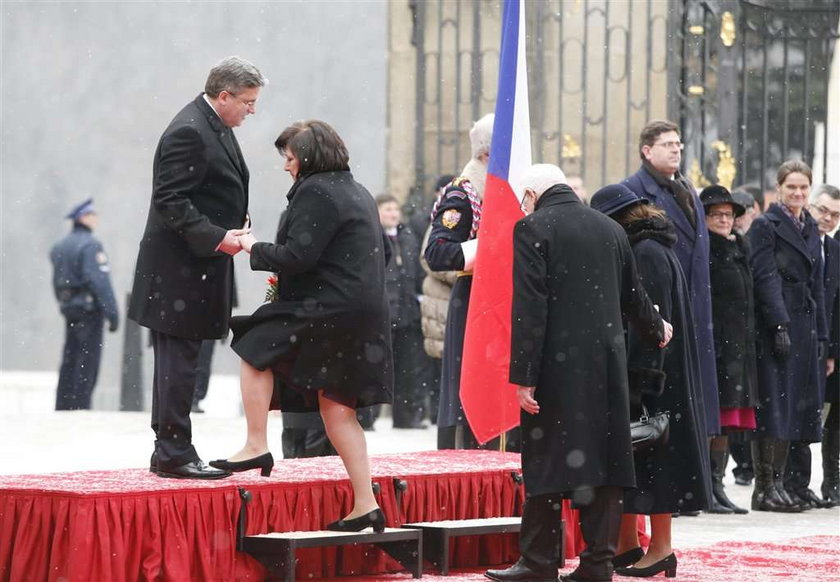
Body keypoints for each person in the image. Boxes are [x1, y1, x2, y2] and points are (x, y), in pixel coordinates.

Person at [486, 165, 671, 582]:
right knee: (603, 463)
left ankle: (539, 561)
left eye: (523, 201)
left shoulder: (533, 227)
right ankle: (598, 563)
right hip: (606, 368)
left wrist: (524, 374)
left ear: (532, 195)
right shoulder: (610, 229)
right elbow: (634, 296)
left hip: (556, 368)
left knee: (547, 462)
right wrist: (657, 329)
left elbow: (530, 307)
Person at [214, 120, 393, 532]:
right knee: (338, 407)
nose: (286, 167)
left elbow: (297, 256)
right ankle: (365, 503)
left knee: (253, 344)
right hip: (363, 312)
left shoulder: (317, 191)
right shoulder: (359, 191)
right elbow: (381, 251)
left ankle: (256, 444)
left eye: (290, 158)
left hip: (329, 308)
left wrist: (250, 245)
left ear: (308, 158)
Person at [128, 56, 266, 480]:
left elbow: (208, 192)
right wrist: (216, 236)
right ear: (223, 96)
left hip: (197, 270)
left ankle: (170, 447)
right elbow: (170, 201)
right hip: (179, 273)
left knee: (184, 363)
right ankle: (173, 451)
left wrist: (231, 227)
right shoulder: (191, 130)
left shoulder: (213, 125)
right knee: (178, 364)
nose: (252, 110)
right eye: (247, 101)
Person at [588, 184, 710, 578]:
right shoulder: (651, 248)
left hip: (657, 377)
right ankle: (627, 544)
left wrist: (641, 380)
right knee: (638, 462)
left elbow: (651, 322)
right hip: (658, 372)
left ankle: (660, 550)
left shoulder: (646, 253)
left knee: (658, 465)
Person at [624, 121, 719, 442]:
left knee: (699, 403)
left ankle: (708, 479)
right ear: (647, 151)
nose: (676, 149)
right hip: (661, 308)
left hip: (695, 308)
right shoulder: (634, 192)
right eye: (667, 144)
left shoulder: (688, 189)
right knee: (668, 407)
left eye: (678, 143)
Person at [748, 160, 828, 512]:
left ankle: (783, 483)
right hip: (777, 325)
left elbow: (819, 286)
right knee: (775, 405)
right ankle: (764, 486)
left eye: (803, 188)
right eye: (791, 187)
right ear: (778, 187)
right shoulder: (766, 225)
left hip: (806, 324)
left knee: (797, 406)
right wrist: (778, 324)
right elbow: (764, 277)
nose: (797, 193)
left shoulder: (810, 225)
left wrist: (823, 337)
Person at [425, 113, 500, 449]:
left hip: (503, 301)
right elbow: (438, 251)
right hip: (475, 300)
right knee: (471, 395)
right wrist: (493, 249)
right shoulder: (463, 193)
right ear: (486, 153)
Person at [700, 185, 760, 515]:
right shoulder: (705, 249)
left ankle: (717, 484)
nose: (724, 220)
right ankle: (706, 487)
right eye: (716, 214)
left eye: (728, 214)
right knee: (714, 416)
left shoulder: (740, 246)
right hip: (718, 343)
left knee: (727, 419)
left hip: (740, 344)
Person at [786, 183, 840, 507]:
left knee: (826, 418)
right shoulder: (800, 240)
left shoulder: (834, 249)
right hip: (799, 339)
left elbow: (832, 303)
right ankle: (792, 482)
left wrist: (831, 348)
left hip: (827, 343)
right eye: (823, 210)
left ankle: (829, 483)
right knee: (801, 412)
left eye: (835, 214)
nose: (828, 218)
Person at [50, 198, 119, 410]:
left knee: (70, 357)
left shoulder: (60, 246)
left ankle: (63, 404)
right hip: (89, 310)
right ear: (83, 218)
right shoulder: (91, 245)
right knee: (87, 360)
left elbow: (57, 282)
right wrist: (112, 313)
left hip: (70, 309)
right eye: (92, 215)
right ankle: (80, 405)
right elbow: (99, 281)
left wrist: (64, 304)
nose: (95, 219)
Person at [377, 193, 430, 428]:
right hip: (383, 313)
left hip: (408, 312)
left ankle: (406, 417)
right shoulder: (373, 237)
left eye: (395, 209)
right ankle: (366, 418)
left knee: (408, 368)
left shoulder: (408, 237)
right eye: (387, 209)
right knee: (376, 367)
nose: (393, 214)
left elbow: (417, 271)